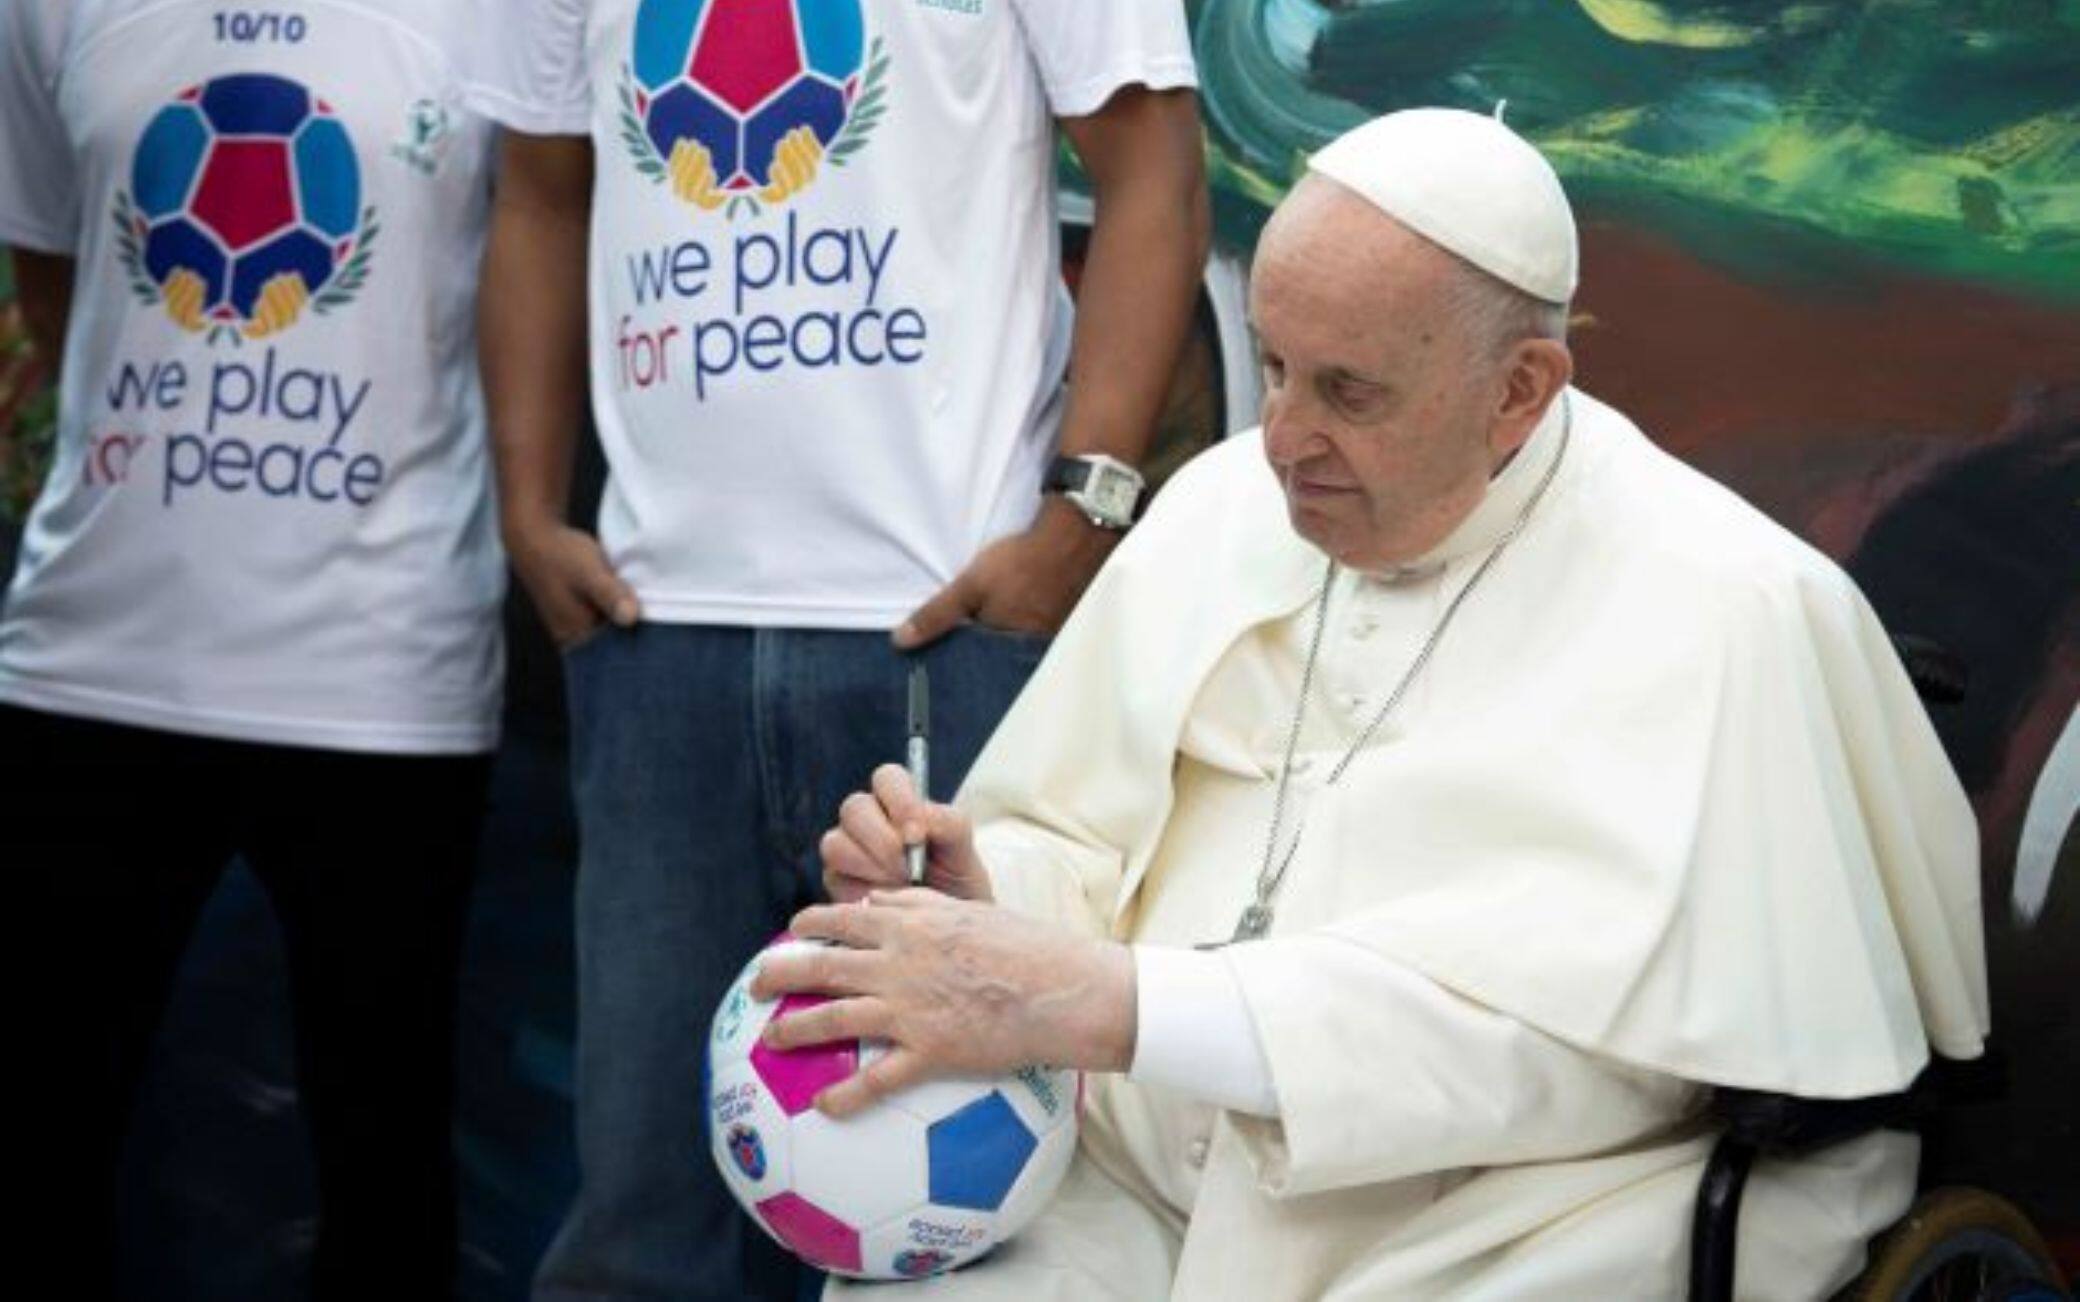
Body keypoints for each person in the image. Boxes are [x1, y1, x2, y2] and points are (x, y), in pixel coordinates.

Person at [755, 108, 1991, 1299]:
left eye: (1346, 393)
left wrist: (1115, 1003)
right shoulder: (1220, 503)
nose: (1282, 439)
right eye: (1274, 366)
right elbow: (1083, 847)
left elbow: (1585, 1058)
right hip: (1132, 1177)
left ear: (1519, 390)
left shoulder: (1728, 603)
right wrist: (993, 897)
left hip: (1489, 1215)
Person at [464, 0, 1209, 1295]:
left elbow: (1152, 164)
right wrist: (530, 514)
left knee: (963, 1231)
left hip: (947, 634)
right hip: (657, 648)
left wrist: (1077, 516)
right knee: (640, 1225)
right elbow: (536, 193)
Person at [0, 1, 504, 1296]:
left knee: (385, 1156)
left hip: (383, 677)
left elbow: (543, 264)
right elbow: (55, 277)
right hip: (89, 660)